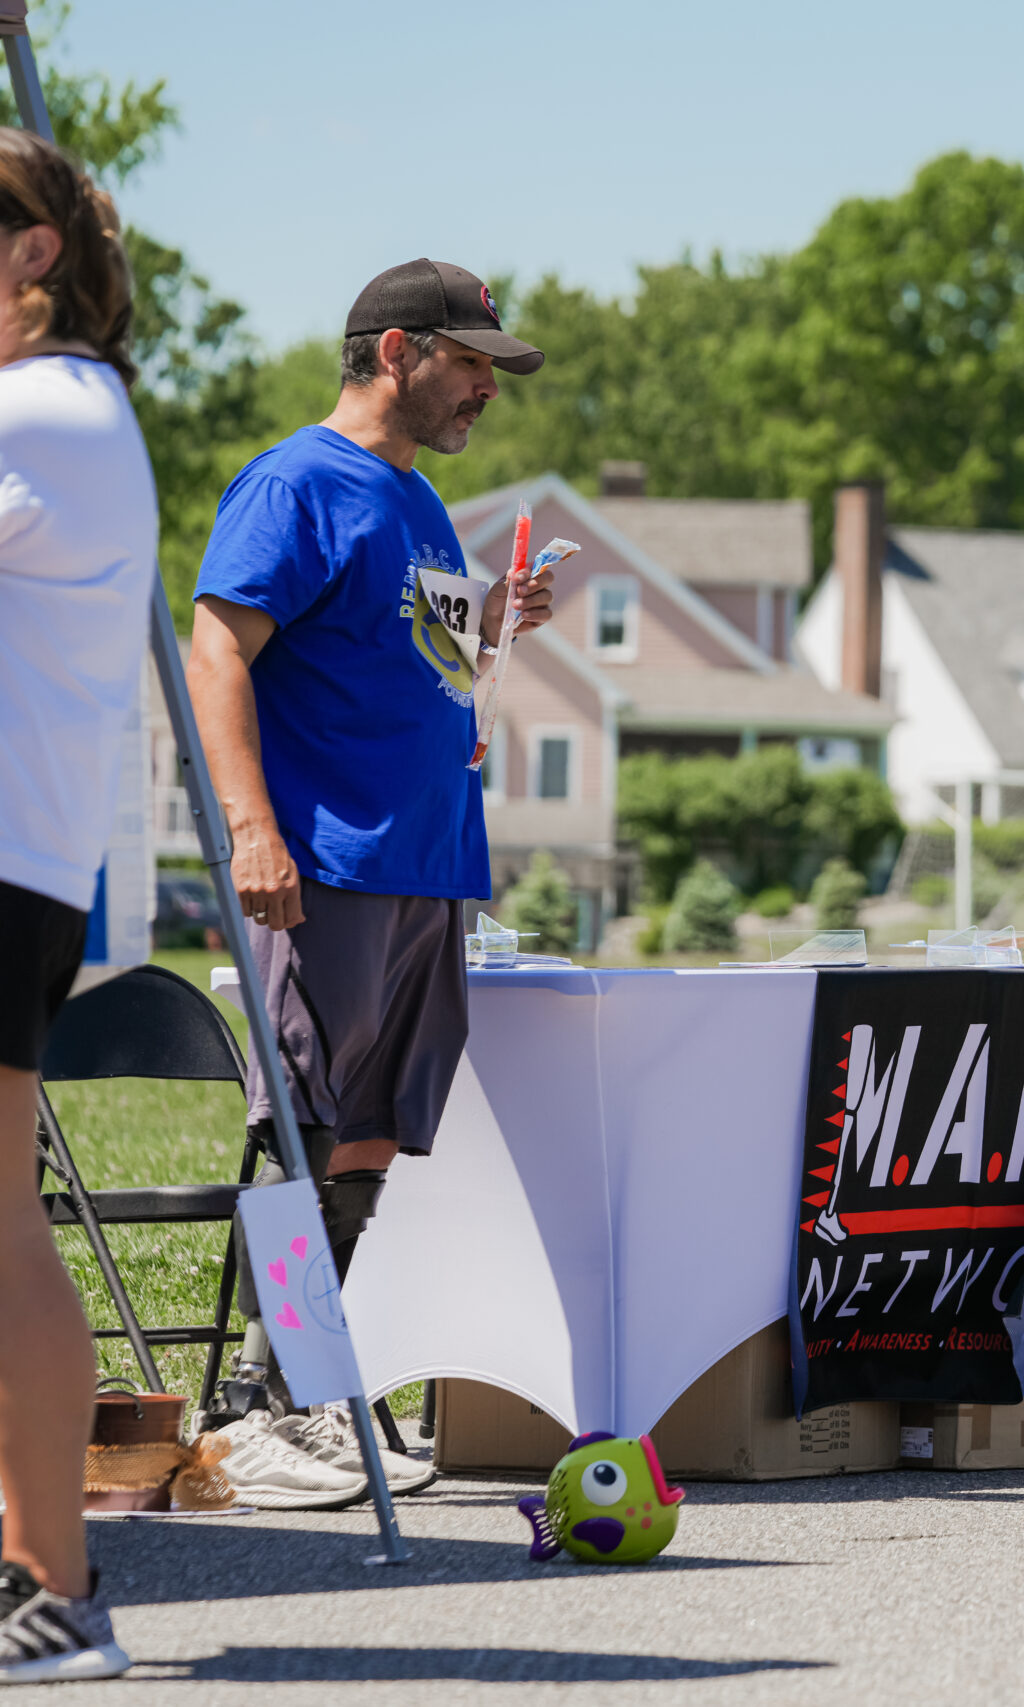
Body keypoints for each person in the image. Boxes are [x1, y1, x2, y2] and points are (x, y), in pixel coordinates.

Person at [187, 258, 553, 1507]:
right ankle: (257, 1402)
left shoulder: (421, 504)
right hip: (323, 867)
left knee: (372, 1132)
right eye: (470, 367)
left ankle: (313, 1387)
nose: (485, 395)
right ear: (396, 352)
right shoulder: (294, 482)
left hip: (428, 863)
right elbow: (217, 653)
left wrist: (499, 620)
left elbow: (424, 664)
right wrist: (250, 828)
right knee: (299, 1125)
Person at [0, 128, 152, 1685]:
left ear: (31, 252)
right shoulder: (65, 410)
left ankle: (54, 1585)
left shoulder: (45, 409)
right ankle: (38, 1573)